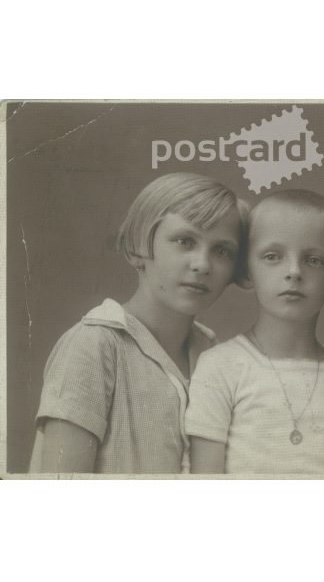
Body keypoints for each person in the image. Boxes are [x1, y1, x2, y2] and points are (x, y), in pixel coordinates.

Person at [29, 173, 249, 474]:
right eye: (185, 241)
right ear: (137, 249)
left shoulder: (214, 354)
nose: (202, 264)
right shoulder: (95, 344)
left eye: (222, 250)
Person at [185, 189, 324, 474]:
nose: (294, 271)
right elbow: (205, 483)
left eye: (314, 260)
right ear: (246, 271)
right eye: (272, 256)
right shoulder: (220, 366)